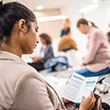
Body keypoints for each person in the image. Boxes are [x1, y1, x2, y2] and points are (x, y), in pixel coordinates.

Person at [0, 1, 96, 110]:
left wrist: (59, 100)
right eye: (35, 30)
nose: (37, 40)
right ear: (22, 26)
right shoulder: (25, 77)